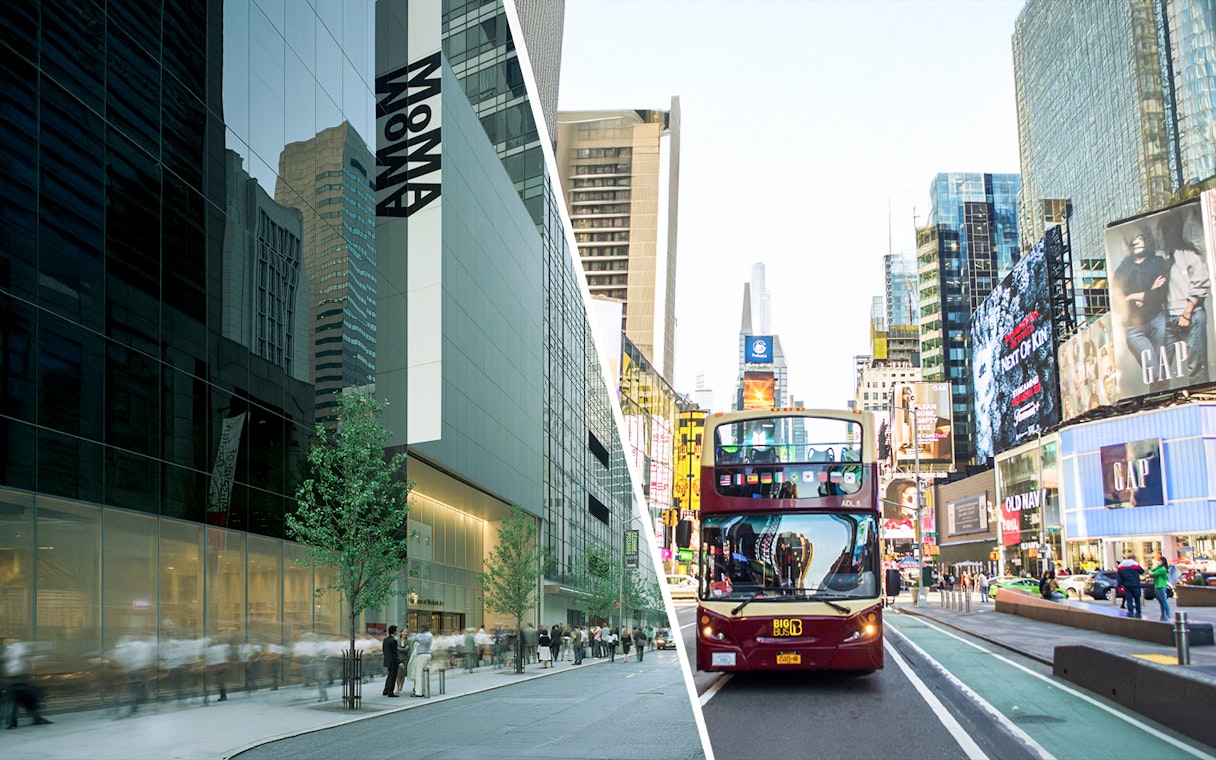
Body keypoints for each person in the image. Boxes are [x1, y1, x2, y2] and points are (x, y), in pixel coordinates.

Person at [1112, 228, 1170, 384]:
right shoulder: (1123, 269)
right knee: (1155, 373)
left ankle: (1164, 398)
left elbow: (1160, 295)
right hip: (1134, 328)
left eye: (1140, 238)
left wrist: (1133, 296)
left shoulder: (1158, 263)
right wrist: (1148, 292)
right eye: (1134, 239)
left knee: (1162, 371)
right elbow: (1118, 302)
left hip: (1157, 320)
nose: (1137, 242)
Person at [1160, 212, 1211, 383]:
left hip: (1190, 315)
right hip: (1168, 317)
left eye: (1170, 230)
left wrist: (1187, 313)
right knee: (1160, 370)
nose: (1167, 235)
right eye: (1164, 231)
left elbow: (1202, 279)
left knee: (1197, 369)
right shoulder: (1164, 256)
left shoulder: (1190, 253)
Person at [1117, 554, 1144, 619]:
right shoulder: (1135, 564)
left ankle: (1130, 613)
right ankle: (1138, 613)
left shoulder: (1121, 565)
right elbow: (1141, 571)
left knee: (1129, 600)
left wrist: (1120, 585)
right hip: (1136, 585)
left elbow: (1118, 577)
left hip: (1127, 586)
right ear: (1133, 558)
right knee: (1137, 600)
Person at [409, 624, 434, 697]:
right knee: (424, 674)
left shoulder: (425, 635)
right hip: (427, 654)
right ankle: (424, 690)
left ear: (423, 629)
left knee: (419, 674)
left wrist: (415, 635)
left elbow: (413, 639)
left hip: (422, 655)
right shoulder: (429, 635)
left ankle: (418, 692)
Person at [1150, 556, 1172, 621]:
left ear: (1163, 561)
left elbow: (1153, 573)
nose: (1158, 562)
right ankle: (1163, 614)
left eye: (1159, 560)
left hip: (1161, 586)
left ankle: (1168, 614)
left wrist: (1151, 572)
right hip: (1157, 586)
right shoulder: (1158, 568)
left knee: (1164, 601)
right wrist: (1151, 572)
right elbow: (1151, 570)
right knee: (1161, 601)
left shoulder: (1163, 569)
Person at [381, 625, 401, 697]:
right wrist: (399, 662)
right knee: (392, 677)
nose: (397, 632)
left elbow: (384, 650)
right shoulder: (393, 641)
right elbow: (395, 653)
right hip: (393, 661)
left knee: (389, 676)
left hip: (387, 660)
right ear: (394, 631)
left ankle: (386, 690)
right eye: (396, 630)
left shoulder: (385, 640)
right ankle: (390, 692)